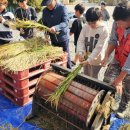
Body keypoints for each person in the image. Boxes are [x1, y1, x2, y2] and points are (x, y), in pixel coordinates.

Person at [102, 2, 130, 119]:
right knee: (107, 79)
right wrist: (107, 55)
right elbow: (113, 40)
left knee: (127, 86)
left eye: (119, 22)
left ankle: (123, 107)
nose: (117, 25)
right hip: (118, 58)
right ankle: (105, 104)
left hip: (128, 63)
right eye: (116, 22)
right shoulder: (116, 23)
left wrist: (119, 80)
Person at [77, 7, 109, 80]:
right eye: (89, 22)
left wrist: (89, 60)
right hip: (85, 58)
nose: (91, 25)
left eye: (93, 23)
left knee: (94, 79)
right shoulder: (86, 27)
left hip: (97, 61)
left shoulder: (104, 30)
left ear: (100, 18)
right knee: (86, 77)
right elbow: (80, 41)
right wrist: (80, 53)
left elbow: (99, 48)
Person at [41, 0, 71, 69]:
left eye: (50, 4)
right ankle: (59, 73)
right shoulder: (45, 11)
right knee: (56, 58)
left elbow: (65, 22)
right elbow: (45, 25)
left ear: (54, 0)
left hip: (63, 39)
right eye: (47, 5)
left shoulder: (62, 8)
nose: (49, 6)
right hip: (53, 39)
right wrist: (46, 36)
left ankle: (69, 72)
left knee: (65, 57)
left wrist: (56, 27)